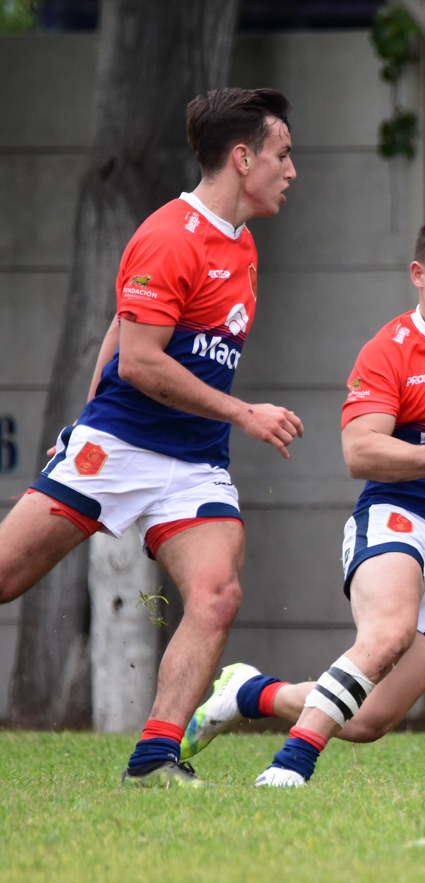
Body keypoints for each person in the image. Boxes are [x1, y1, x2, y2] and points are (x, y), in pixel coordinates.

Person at [177, 217, 425, 785]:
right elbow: (360, 452)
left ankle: (248, 692)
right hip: (397, 521)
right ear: (418, 274)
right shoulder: (388, 350)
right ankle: (290, 766)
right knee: (388, 633)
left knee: (368, 720)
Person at [0, 89, 301, 785]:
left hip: (193, 462)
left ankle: (155, 756)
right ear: (243, 158)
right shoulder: (169, 235)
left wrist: (87, 408)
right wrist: (241, 413)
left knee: (217, 595)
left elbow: (122, 321)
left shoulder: (243, 244)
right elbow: (138, 359)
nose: (291, 170)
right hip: (119, 448)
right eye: (282, 156)